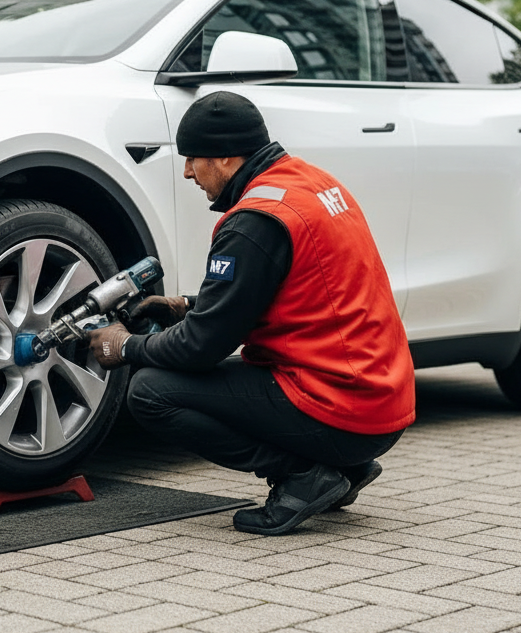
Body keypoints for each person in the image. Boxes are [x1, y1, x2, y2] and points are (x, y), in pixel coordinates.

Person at [88, 90, 415, 536]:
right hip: (379, 400)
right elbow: (287, 289)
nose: (187, 172)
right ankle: (346, 469)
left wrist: (125, 346)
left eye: (192, 159)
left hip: (341, 408)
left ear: (224, 158)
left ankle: (303, 476)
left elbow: (201, 349)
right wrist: (188, 306)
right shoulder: (312, 184)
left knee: (150, 392)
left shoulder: (255, 220)